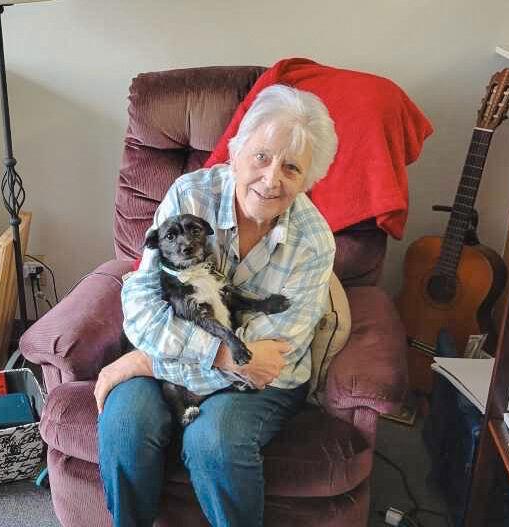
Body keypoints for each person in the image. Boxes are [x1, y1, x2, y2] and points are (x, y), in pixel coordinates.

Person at [94, 84, 338, 527]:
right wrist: (219, 354)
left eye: (291, 167)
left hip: (261, 385)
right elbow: (142, 300)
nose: (271, 179)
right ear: (236, 149)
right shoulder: (190, 195)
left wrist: (143, 362)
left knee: (215, 440)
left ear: (309, 180)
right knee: (126, 423)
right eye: (262, 156)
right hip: (198, 356)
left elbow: (266, 362)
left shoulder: (314, 241)